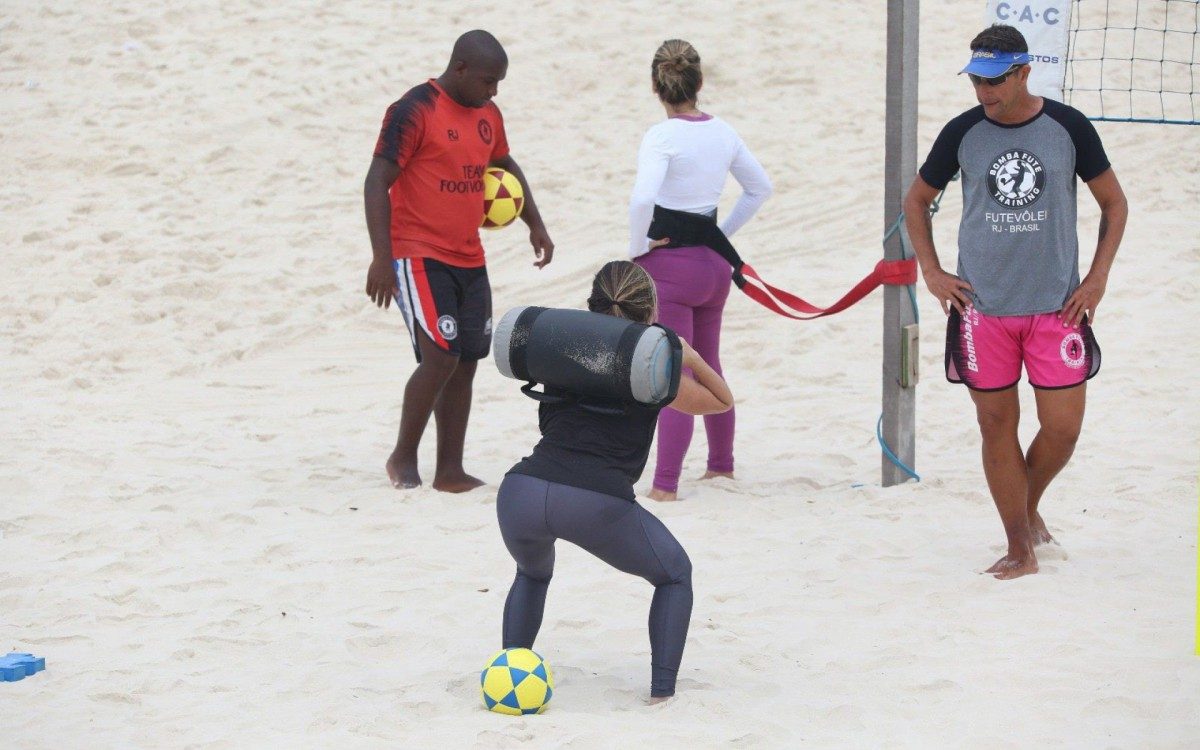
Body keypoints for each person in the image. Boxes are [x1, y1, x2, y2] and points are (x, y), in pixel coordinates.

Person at [903, 24, 1128, 580]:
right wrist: (931, 271)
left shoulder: (1068, 127)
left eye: (996, 81)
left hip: (1057, 307)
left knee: (1063, 429)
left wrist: (1097, 279)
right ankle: (1018, 545)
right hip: (983, 311)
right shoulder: (962, 133)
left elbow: (1114, 205)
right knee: (995, 425)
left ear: (1024, 72)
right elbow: (917, 200)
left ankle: (1026, 508)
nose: (985, 92)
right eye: (977, 80)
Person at [496, 261, 734, 701]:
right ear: (650, 311)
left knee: (531, 574)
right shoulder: (652, 370)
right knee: (675, 575)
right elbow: (721, 401)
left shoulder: (559, 348)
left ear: (592, 305)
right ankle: (662, 694)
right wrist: (687, 352)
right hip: (593, 502)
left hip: (521, 493)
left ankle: (510, 675)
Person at [363, 30, 555, 493]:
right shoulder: (413, 110)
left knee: (468, 358)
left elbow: (506, 167)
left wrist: (536, 223)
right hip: (417, 252)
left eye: (499, 84)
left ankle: (449, 469)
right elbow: (376, 182)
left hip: (470, 255)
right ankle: (402, 455)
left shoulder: (489, 113)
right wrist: (381, 258)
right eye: (489, 81)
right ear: (461, 69)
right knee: (439, 356)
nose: (494, 92)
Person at [628, 39, 772, 502]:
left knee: (674, 374)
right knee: (709, 363)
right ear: (699, 83)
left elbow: (642, 200)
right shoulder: (723, 132)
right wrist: (718, 233)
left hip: (671, 269)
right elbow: (759, 189)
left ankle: (665, 485)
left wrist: (637, 250)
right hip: (713, 267)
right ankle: (720, 465)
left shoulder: (661, 136)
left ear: (656, 85)